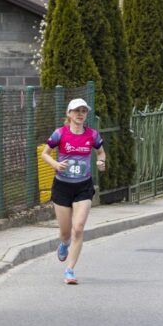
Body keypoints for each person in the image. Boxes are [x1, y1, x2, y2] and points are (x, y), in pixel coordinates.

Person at [40, 98, 106, 284]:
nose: (80, 114)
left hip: (83, 186)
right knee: (66, 232)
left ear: (86, 115)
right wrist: (55, 164)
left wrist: (102, 162)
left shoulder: (92, 135)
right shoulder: (59, 134)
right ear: (69, 114)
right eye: (76, 110)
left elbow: (101, 152)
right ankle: (64, 244)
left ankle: (69, 270)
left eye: (83, 111)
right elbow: (44, 153)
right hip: (62, 186)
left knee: (78, 228)